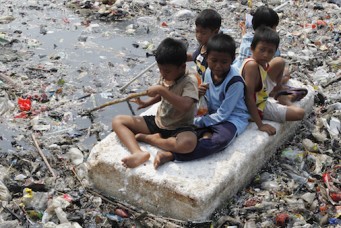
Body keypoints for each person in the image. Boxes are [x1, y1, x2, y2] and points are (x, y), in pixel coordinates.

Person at [139, 34, 250, 168]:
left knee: (220, 141)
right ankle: (186, 139)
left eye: (224, 62)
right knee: (188, 133)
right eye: (213, 60)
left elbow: (224, 114)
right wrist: (200, 93)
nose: (218, 66)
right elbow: (207, 99)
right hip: (210, 115)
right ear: (207, 58)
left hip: (231, 119)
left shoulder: (235, 82)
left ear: (232, 60)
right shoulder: (209, 71)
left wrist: (198, 121)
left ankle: (172, 154)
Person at [112, 38, 199, 168]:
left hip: (180, 127)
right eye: (160, 70)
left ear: (182, 67)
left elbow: (186, 105)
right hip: (160, 122)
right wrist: (147, 103)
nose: (163, 74)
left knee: (188, 144)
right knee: (118, 121)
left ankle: (151, 139)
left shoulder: (190, 81)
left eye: (167, 71)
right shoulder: (167, 74)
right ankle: (138, 153)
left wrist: (161, 90)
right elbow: (162, 95)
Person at [241, 26, 306, 136]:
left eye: (270, 52)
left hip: (261, 95)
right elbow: (248, 97)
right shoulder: (251, 66)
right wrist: (260, 125)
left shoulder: (261, 63)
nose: (266, 55)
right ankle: (286, 100)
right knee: (300, 113)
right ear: (252, 48)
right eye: (262, 50)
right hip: (257, 106)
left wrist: (279, 85)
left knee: (280, 61)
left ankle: (278, 91)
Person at [187, 9, 222, 82]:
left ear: (215, 32)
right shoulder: (203, 46)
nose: (198, 36)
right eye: (197, 31)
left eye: (203, 33)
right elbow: (194, 57)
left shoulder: (215, 54)